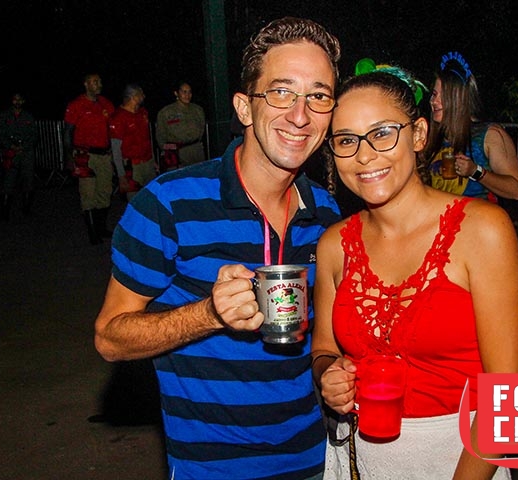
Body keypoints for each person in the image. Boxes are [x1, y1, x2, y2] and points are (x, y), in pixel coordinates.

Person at [94, 17, 342, 480]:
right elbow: (110, 338)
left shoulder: (327, 213)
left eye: (318, 96)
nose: (301, 115)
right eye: (282, 92)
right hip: (212, 468)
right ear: (245, 108)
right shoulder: (168, 203)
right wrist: (208, 314)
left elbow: (325, 339)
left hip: (311, 460)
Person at [311, 64, 518, 479]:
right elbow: (323, 347)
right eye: (346, 140)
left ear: (419, 135)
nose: (364, 155)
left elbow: (508, 396)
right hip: (358, 459)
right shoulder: (334, 245)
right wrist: (330, 373)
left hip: (461, 458)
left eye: (382, 133)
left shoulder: (482, 231)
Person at [425, 51, 518, 203]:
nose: (434, 101)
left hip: (478, 216)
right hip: (441, 216)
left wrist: (475, 171)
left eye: (442, 95)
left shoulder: (489, 135)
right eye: (434, 94)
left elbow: (516, 190)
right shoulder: (433, 138)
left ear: (458, 98)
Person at [64, 73, 116, 244]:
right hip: (85, 155)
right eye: (94, 82)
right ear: (86, 84)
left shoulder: (106, 104)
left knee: (105, 191)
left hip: (104, 154)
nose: (98, 84)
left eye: (99, 81)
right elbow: (68, 132)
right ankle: (92, 232)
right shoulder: (76, 105)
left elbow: (113, 129)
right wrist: (69, 156)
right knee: (88, 193)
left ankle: (101, 227)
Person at [109, 84, 156, 201]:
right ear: (133, 97)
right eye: (141, 94)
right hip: (133, 166)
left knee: (152, 198)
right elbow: (116, 149)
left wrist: (153, 160)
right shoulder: (118, 117)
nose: (144, 96)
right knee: (135, 200)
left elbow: (148, 139)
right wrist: (121, 175)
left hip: (147, 162)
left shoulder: (143, 113)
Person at [0, 93, 39, 221]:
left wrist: (24, 146)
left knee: (28, 180)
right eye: (15, 99)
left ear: (23, 101)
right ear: (12, 100)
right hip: (11, 152)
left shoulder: (28, 116)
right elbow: (1, 134)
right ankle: (5, 212)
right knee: (8, 181)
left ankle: (26, 209)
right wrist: (10, 146)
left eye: (20, 99)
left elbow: (34, 135)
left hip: (26, 152)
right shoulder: (5, 115)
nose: (17, 102)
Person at [155, 81, 206, 172]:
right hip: (177, 153)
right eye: (184, 92)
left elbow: (201, 128)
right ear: (176, 93)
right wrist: (169, 153)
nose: (187, 95)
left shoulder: (197, 110)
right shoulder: (166, 112)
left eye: (189, 92)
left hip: (196, 150)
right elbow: (160, 135)